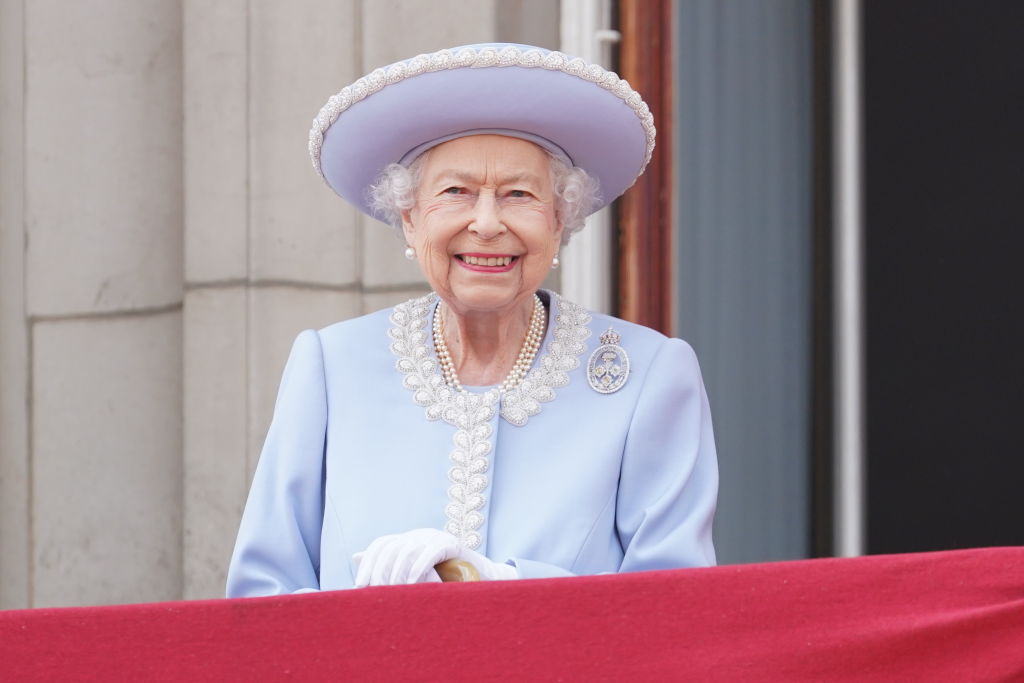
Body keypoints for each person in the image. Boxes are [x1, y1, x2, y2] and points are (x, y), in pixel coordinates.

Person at [226, 43, 718, 595]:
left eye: (519, 194)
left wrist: (503, 585)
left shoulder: (649, 374)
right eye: (456, 192)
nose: (486, 223)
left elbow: (677, 603)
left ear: (559, 222)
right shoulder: (331, 366)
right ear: (409, 220)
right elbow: (262, 593)